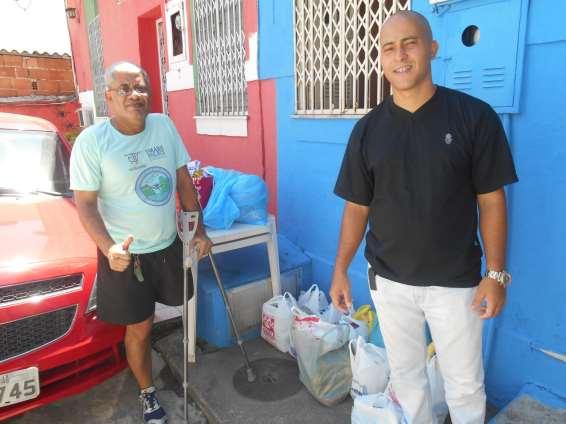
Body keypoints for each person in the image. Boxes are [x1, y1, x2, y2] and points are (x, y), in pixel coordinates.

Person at [330, 11, 517, 424]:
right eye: (389, 48)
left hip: (456, 286)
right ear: (380, 58)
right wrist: (341, 269)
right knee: (407, 381)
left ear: (432, 48)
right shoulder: (367, 130)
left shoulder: (474, 117)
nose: (400, 56)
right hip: (391, 284)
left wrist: (497, 273)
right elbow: (357, 206)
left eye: (410, 43)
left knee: (465, 387)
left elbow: (492, 201)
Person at [70, 61, 211, 424]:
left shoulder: (163, 126)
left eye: (141, 87)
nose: (135, 95)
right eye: (125, 89)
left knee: (179, 305)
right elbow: (85, 205)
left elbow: (183, 181)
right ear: (108, 97)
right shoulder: (92, 143)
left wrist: (199, 229)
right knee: (140, 326)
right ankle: (148, 393)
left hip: (166, 246)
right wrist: (107, 247)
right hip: (125, 255)